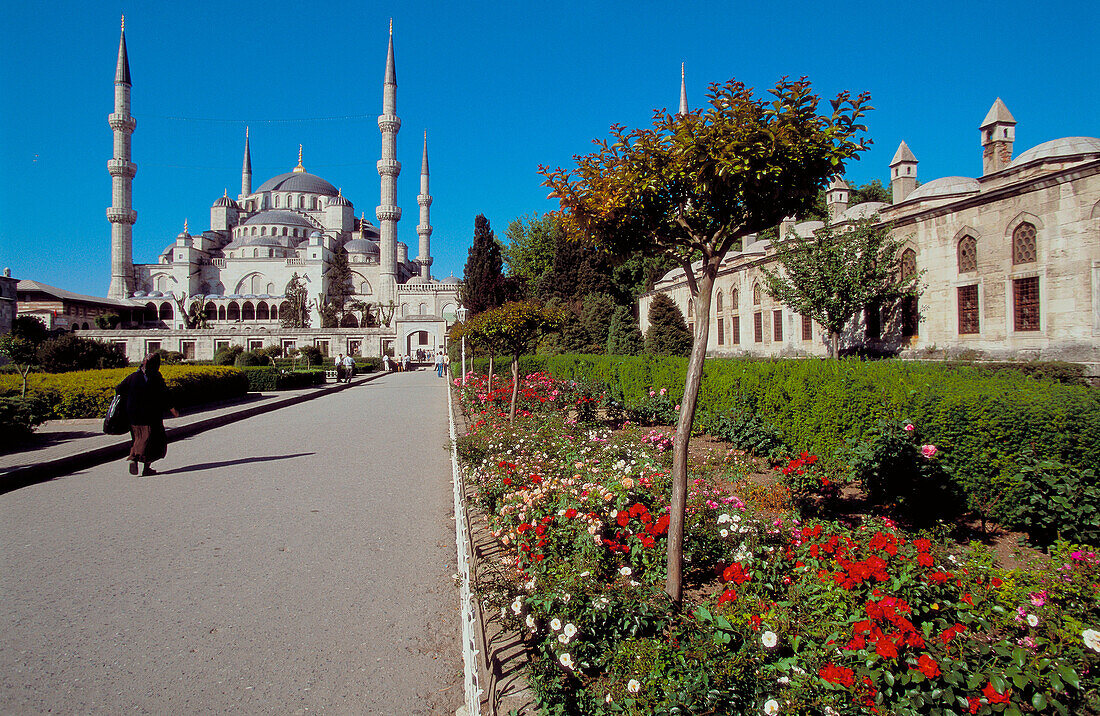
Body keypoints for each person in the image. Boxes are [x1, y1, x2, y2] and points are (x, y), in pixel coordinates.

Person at [116, 352, 178, 476]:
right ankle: (142, 464)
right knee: (152, 440)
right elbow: (164, 394)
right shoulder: (156, 377)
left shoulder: (133, 376)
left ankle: (136, 458)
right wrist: (172, 409)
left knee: (138, 438)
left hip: (133, 414)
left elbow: (119, 389)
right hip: (151, 415)